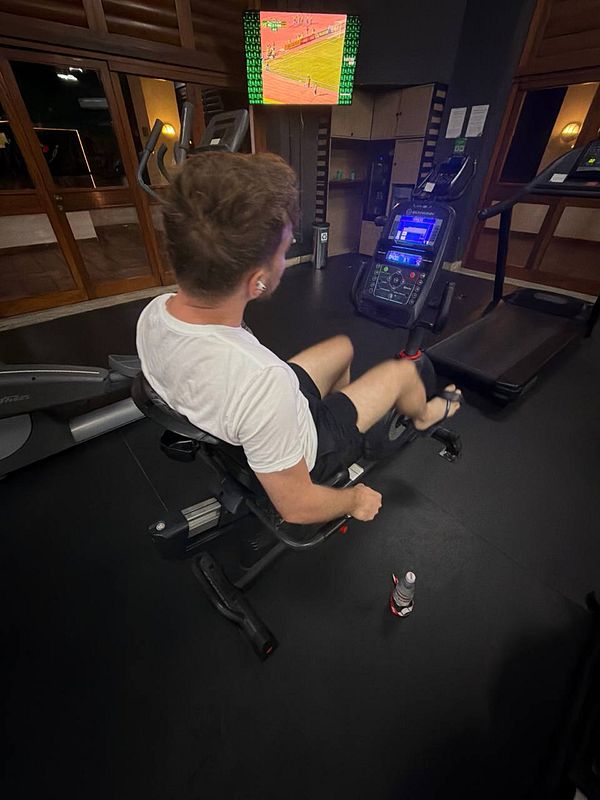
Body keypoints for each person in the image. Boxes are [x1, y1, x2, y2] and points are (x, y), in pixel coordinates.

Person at [136, 152, 461, 526]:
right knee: (404, 374)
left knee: (343, 348)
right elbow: (296, 507)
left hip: (249, 407)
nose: (284, 257)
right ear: (256, 280)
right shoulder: (262, 382)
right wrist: (354, 499)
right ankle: (418, 418)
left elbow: (255, 387)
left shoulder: (155, 311)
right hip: (301, 448)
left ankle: (348, 424)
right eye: (284, 250)